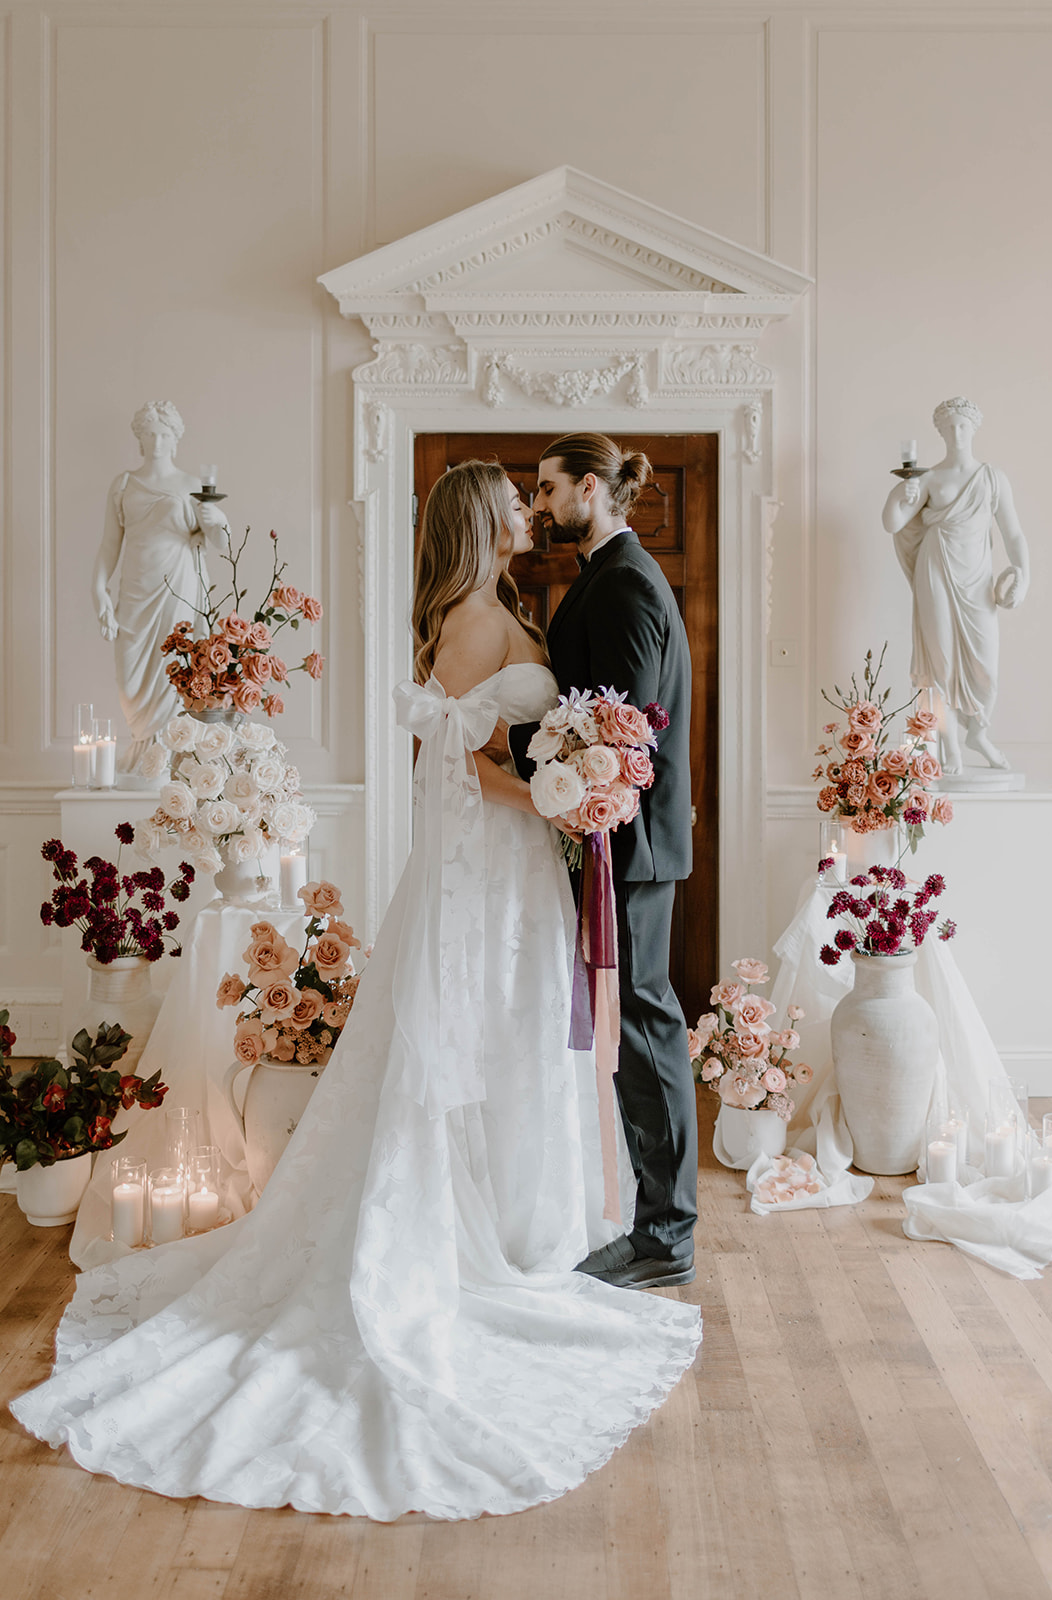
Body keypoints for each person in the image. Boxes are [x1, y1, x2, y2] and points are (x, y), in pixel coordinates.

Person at [11, 461, 700, 1521]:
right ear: (476, 521)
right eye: (510, 503)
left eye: (531, 496)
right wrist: (556, 794)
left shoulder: (503, 608)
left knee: (516, 1043)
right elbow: (464, 771)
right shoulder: (472, 620)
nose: (525, 510)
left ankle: (527, 1224)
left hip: (516, 880)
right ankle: (477, 1236)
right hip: (486, 881)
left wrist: (567, 785)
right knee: (477, 1044)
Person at [504, 432, 698, 1290]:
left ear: (591, 487)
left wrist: (497, 740)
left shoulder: (621, 585)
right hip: (615, 841)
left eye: (547, 490)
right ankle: (655, 1222)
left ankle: (665, 1234)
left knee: (646, 1027)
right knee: (634, 1025)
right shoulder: (605, 576)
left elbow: (619, 737)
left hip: (630, 844)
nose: (539, 506)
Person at [881, 397, 1030, 774]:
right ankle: (950, 749)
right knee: (941, 663)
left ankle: (977, 733)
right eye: (948, 427)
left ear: (973, 428)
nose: (956, 433)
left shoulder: (993, 477)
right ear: (940, 432)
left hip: (977, 578)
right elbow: (892, 523)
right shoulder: (929, 479)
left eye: (962, 425)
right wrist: (903, 493)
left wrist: (1022, 574)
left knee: (987, 670)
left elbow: (1013, 533)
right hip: (936, 570)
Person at [92, 401, 229, 773]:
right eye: (149, 433)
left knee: (175, 665)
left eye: (164, 433)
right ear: (139, 438)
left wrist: (218, 520)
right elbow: (108, 545)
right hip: (136, 589)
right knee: (131, 671)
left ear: (175, 439)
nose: (157, 440)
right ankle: (142, 748)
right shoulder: (123, 484)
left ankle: (169, 752)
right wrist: (99, 589)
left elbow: (218, 542)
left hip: (177, 587)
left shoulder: (190, 486)